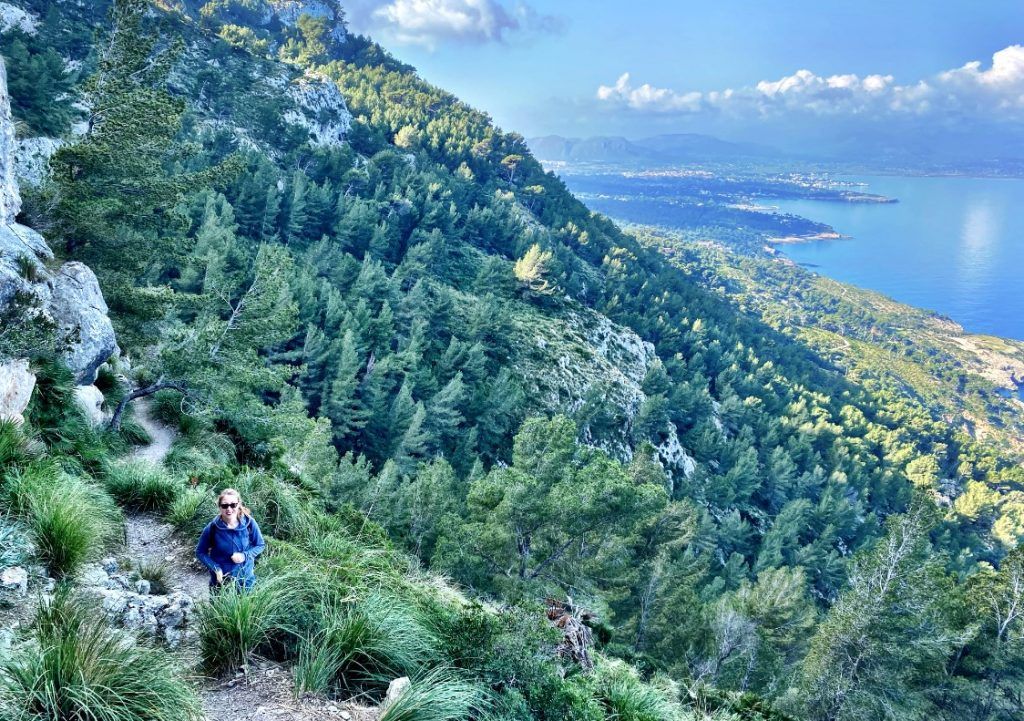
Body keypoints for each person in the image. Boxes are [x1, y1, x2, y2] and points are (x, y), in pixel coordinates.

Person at [195, 488, 266, 591]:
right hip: (221, 583)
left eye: (233, 505)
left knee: (245, 606)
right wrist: (216, 568)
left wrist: (244, 555)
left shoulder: (249, 523)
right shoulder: (212, 528)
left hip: (245, 581)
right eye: (224, 505)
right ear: (219, 507)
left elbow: (260, 545)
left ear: (238, 505)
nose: (229, 509)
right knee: (219, 607)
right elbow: (200, 552)